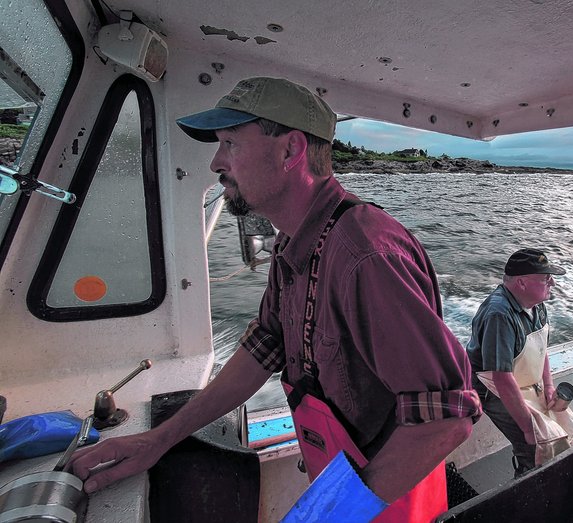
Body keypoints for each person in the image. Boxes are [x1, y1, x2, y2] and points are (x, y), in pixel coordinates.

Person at [69, 77, 481, 521]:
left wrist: (326, 514)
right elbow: (264, 346)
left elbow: (446, 416)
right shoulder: (293, 244)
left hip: (388, 501)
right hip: (340, 480)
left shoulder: (365, 255)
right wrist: (159, 439)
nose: (215, 162)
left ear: (290, 150)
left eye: (229, 143)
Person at [466, 248, 573, 478]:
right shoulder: (499, 315)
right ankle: (526, 482)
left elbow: (540, 349)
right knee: (535, 446)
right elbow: (501, 378)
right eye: (544, 278)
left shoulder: (537, 304)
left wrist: (548, 386)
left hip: (525, 382)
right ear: (521, 283)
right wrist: (527, 427)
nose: (551, 283)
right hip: (494, 389)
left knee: (570, 431)